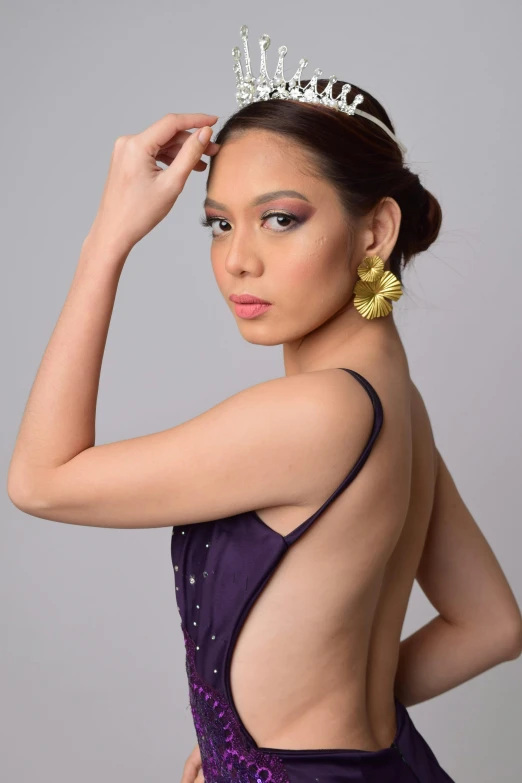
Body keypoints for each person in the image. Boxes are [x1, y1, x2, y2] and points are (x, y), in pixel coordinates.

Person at [8, 23, 522, 783]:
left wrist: (107, 241)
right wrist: (279, 734)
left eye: (281, 218)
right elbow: (492, 624)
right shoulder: (394, 402)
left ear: (375, 230)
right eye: (218, 223)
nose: (237, 258)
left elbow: (39, 479)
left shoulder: (316, 414)